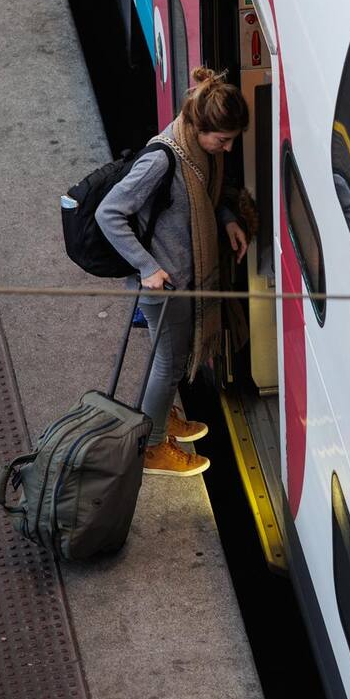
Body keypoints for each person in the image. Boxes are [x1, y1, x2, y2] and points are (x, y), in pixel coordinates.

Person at [95, 67, 249, 476]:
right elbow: (109, 213)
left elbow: (208, 197)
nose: (229, 148)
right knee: (169, 364)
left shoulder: (196, 152)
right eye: (223, 140)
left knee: (170, 361)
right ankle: (153, 447)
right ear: (200, 128)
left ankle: (160, 417)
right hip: (164, 283)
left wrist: (227, 218)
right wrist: (147, 267)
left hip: (180, 275)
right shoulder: (162, 160)